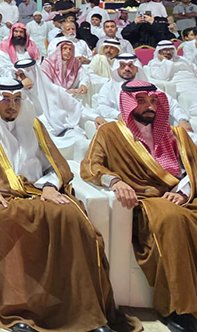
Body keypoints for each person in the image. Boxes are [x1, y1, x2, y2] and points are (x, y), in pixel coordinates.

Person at [0, 77, 122, 332]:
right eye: (6, 100)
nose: (12, 106)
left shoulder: (33, 124)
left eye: (17, 100)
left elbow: (54, 164)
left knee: (69, 216)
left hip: (37, 191)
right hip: (4, 197)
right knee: (1, 221)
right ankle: (17, 311)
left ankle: (85, 312)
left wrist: (50, 187)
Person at [81, 80, 197, 332]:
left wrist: (183, 190)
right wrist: (116, 181)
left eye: (153, 101)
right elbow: (90, 167)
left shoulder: (175, 133)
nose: (149, 107)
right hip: (146, 200)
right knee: (173, 220)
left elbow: (194, 167)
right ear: (129, 103)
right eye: (142, 101)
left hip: (181, 196)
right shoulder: (110, 133)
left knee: (178, 214)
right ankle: (180, 308)